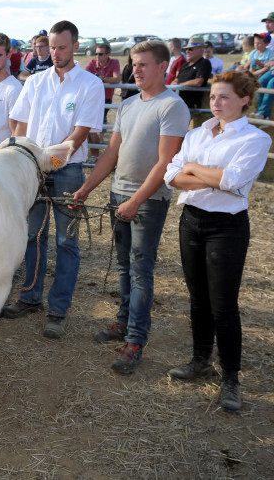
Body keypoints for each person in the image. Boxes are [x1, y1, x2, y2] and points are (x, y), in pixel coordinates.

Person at [71, 40, 190, 374]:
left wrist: (136, 201)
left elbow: (166, 162)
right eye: (133, 64)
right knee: (124, 266)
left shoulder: (172, 107)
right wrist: (86, 188)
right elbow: (111, 153)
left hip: (147, 201)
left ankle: (136, 339)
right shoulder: (129, 105)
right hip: (119, 194)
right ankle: (123, 322)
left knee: (140, 269)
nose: (135, 70)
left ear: (162, 66)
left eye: (143, 64)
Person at [164, 71, 271, 413]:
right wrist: (204, 179)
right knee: (198, 298)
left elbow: (233, 181)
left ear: (243, 100)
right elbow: (170, 175)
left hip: (226, 227)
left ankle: (231, 377)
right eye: (213, 97)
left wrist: (193, 170)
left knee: (223, 305)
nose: (216, 103)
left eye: (224, 97)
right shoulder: (198, 133)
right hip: (192, 221)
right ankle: (200, 360)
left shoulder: (254, 139)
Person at [2, 20, 105, 339]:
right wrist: (23, 155)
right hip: (33, 168)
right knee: (32, 234)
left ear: (75, 46)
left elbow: (80, 132)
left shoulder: (89, 84)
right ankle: (30, 297)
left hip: (67, 170)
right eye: (52, 47)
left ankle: (58, 309)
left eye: (62, 47)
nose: (56, 53)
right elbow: (17, 121)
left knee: (65, 240)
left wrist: (49, 159)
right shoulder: (35, 82)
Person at [85, 42, 121, 158]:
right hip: (91, 99)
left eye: (100, 54)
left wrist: (102, 79)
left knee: (93, 129)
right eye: (96, 54)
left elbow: (117, 79)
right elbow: (84, 78)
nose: (97, 56)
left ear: (108, 54)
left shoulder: (114, 62)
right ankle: (93, 155)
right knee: (90, 129)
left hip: (106, 99)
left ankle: (95, 156)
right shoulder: (92, 63)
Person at [172, 37, 212, 114]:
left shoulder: (204, 63)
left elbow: (198, 82)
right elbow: (176, 79)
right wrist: (174, 85)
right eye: (186, 49)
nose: (187, 51)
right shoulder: (185, 65)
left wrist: (179, 86)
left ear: (201, 50)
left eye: (190, 49)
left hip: (189, 105)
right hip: (176, 101)